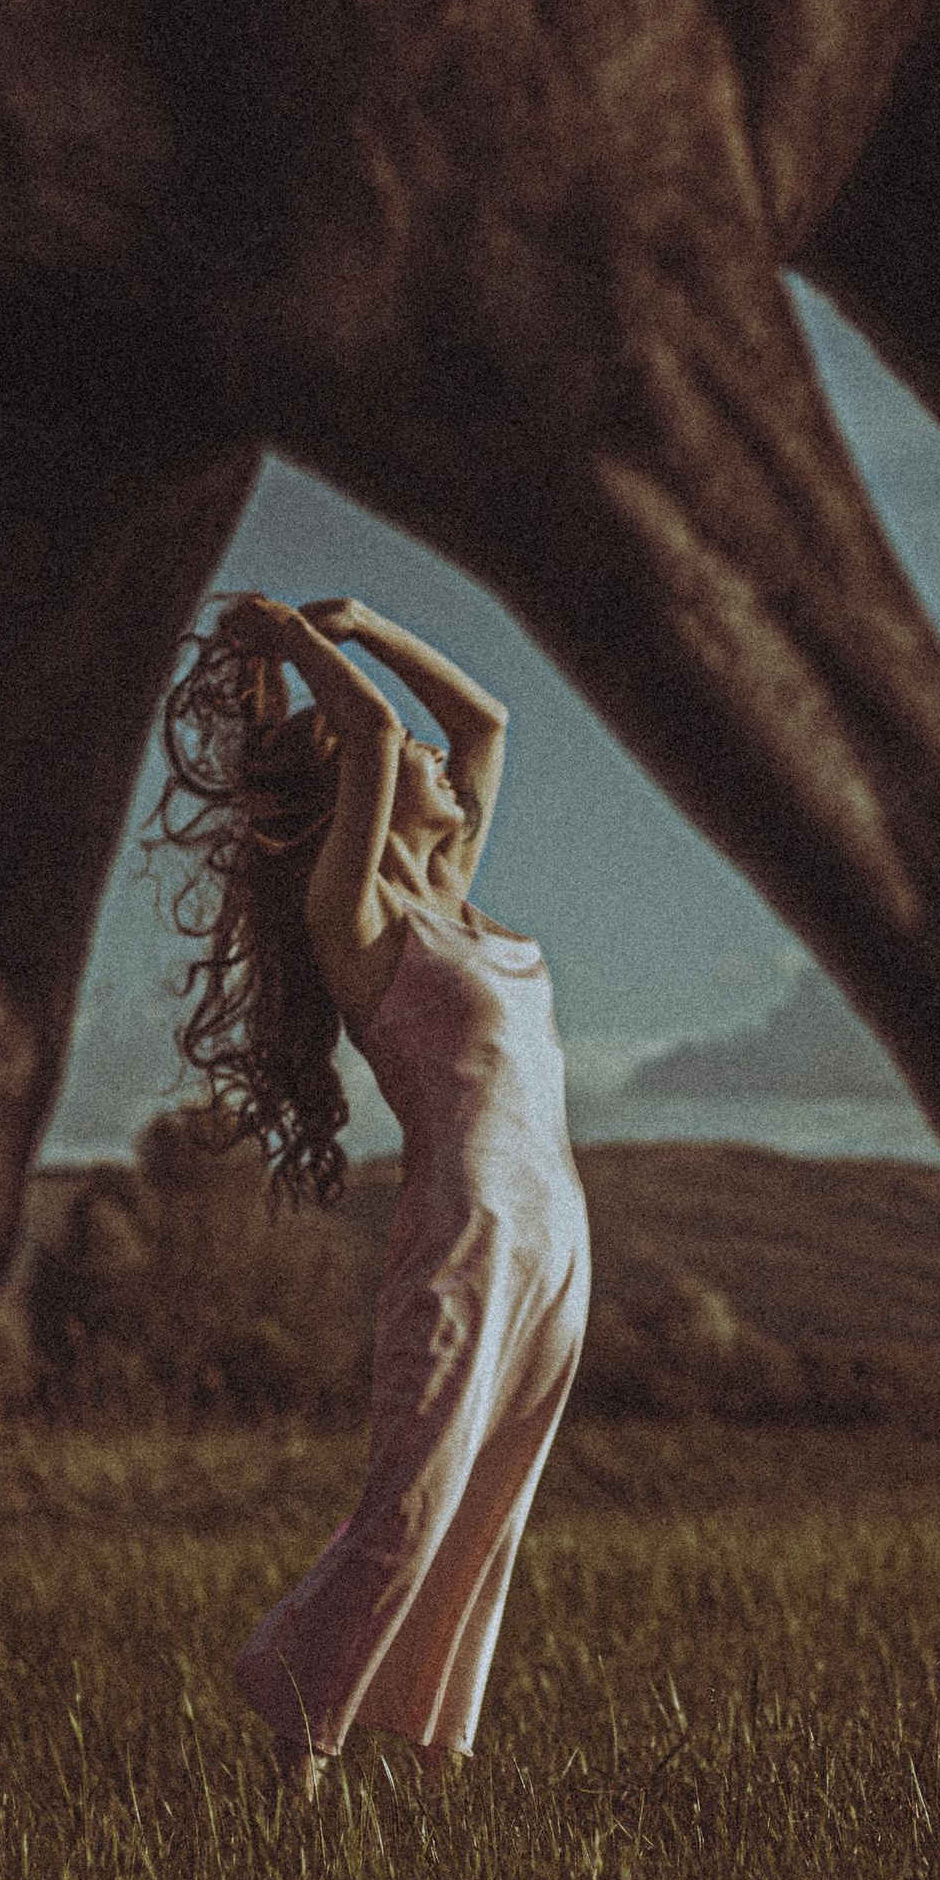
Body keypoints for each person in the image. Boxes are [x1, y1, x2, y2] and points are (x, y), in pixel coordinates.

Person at [158, 591, 590, 1799]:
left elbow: (488, 722)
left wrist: (372, 624)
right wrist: (300, 648)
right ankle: (296, 1764)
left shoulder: (451, 888)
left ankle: (426, 1766)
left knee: (488, 1499)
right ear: (361, 784)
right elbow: (375, 728)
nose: (446, 774)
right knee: (411, 1496)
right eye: (410, 763)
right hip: (465, 1231)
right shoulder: (354, 918)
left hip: (556, 1237)